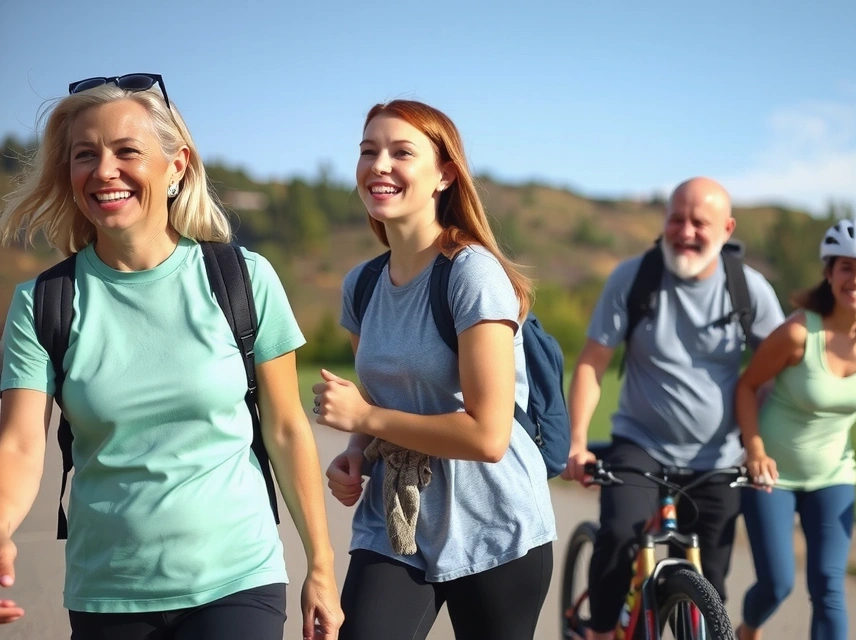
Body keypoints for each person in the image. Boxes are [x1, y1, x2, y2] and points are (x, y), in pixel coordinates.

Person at [0, 74, 342, 638]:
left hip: (238, 579)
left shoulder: (242, 278)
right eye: (85, 155)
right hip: (108, 592)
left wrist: (321, 568)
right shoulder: (42, 304)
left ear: (176, 166)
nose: (104, 170)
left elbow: (285, 430)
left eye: (126, 151)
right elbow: (19, 443)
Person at [317, 99, 556, 640]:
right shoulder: (363, 285)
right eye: (368, 151)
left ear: (444, 174)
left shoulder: (472, 274)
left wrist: (365, 420)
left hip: (495, 524)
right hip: (396, 526)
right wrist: (354, 455)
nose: (379, 165)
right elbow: (384, 402)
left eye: (401, 152)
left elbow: (488, 436)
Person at [561, 176, 787, 640]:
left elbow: (782, 371)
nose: (685, 231)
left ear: (727, 229)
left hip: (719, 457)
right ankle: (603, 631)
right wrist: (578, 442)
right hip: (640, 446)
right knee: (620, 536)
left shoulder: (750, 289)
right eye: (676, 219)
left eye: (699, 222)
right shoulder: (633, 277)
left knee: (712, 584)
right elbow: (591, 363)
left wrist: (758, 443)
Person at [733, 216, 856, 640]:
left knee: (829, 587)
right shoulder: (799, 332)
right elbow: (748, 386)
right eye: (846, 267)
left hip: (835, 476)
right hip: (772, 477)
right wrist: (756, 450)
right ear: (829, 273)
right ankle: (748, 630)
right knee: (777, 584)